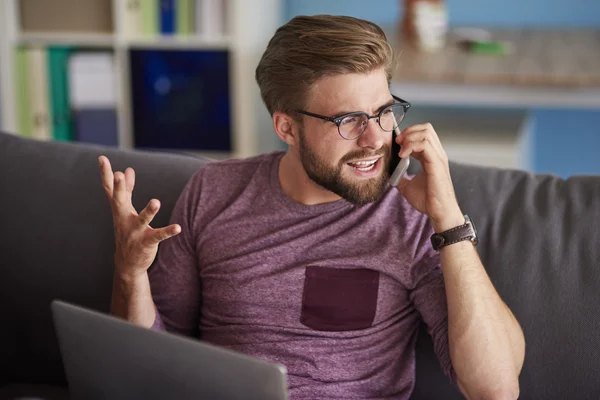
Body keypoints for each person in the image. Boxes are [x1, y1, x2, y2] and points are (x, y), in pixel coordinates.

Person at [99, 15, 524, 400]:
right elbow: (155, 354)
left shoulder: (412, 216)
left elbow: (495, 387)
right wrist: (130, 272)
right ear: (287, 127)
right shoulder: (213, 192)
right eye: (348, 121)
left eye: (383, 112)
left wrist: (447, 219)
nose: (375, 139)